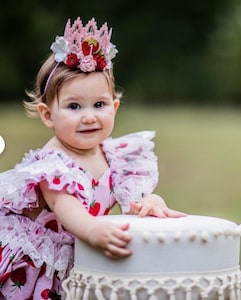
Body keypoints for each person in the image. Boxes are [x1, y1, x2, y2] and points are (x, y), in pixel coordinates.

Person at [0, 17, 186, 299]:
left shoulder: (119, 157)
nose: (89, 116)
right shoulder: (53, 164)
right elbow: (67, 209)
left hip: (77, 253)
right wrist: (92, 230)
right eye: (74, 106)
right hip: (34, 261)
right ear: (48, 115)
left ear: (114, 107)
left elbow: (135, 202)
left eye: (99, 105)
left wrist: (150, 202)